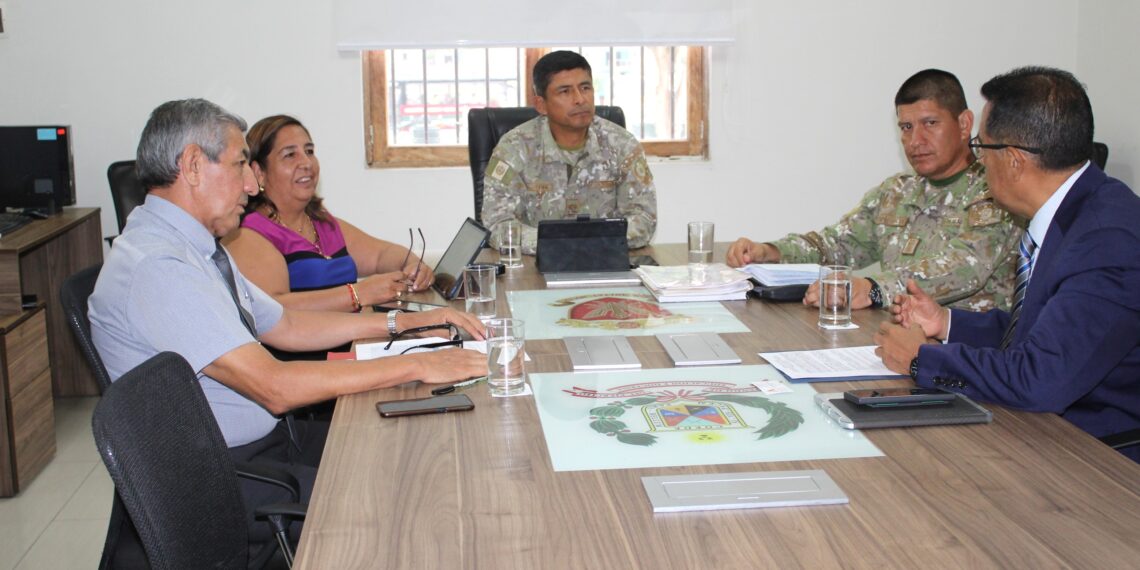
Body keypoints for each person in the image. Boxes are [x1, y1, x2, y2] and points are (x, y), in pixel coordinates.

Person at [89, 99, 487, 538]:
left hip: (270, 445)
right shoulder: (160, 268)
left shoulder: (196, 248)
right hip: (225, 480)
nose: (251, 185)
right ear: (194, 165)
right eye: (240, 165)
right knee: (412, 501)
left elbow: (286, 325)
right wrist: (416, 364)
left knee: (415, 450)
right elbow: (274, 387)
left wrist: (403, 325)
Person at [874, 67, 1140, 462]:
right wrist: (946, 323)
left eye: (981, 147)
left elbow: (1042, 378)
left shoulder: (1107, 239)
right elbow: (1040, 334)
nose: (979, 162)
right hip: (1041, 429)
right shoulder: (1075, 211)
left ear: (1013, 159)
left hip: (1097, 458)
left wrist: (922, 359)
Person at [726, 69, 1020, 313]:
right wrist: (771, 251)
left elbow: (965, 268)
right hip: (890, 336)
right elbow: (837, 244)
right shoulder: (897, 191)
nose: (915, 140)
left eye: (930, 123)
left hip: (963, 349)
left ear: (964, 124)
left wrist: (874, 288)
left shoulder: (994, 190)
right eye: (906, 127)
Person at [222, 114, 430, 313]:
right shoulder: (247, 234)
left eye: (309, 151)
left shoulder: (322, 223)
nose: (306, 163)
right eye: (290, 155)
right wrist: (357, 294)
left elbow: (381, 255)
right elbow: (275, 311)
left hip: (355, 334)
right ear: (259, 172)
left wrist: (412, 265)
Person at [481, 50, 657, 254]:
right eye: (565, 91)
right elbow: (497, 224)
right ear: (541, 105)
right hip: (534, 263)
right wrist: (560, 244)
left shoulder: (622, 144)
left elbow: (644, 218)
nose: (580, 99)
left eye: (585, 88)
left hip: (603, 260)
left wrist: (589, 243)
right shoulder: (514, 147)